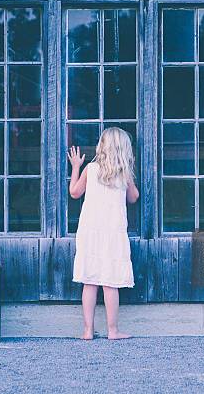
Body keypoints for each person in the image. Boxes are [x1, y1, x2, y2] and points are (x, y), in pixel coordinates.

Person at [67, 127, 139, 340]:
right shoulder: (123, 174)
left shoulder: (91, 169)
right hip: (113, 233)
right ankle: (112, 330)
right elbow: (133, 197)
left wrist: (76, 167)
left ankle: (88, 330)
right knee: (110, 282)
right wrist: (129, 176)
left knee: (90, 281)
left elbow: (74, 192)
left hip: (90, 231)